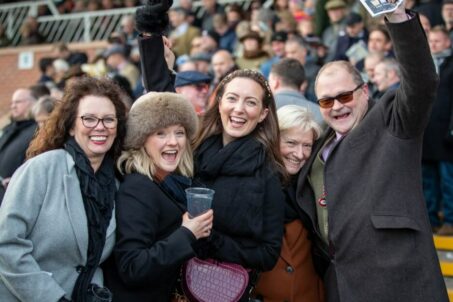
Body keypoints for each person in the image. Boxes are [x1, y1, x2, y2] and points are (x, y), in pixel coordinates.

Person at [295, 3, 448, 301]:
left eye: (344, 96)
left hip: (398, 280)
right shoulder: (316, 144)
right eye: (326, 101)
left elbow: (422, 83)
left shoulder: (392, 120)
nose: (337, 106)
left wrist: (396, 16)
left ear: (364, 91)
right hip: (340, 284)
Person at [0, 77, 128, 301]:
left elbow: (91, 262)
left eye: (109, 119)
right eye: (89, 119)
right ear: (71, 126)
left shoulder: (115, 185)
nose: (100, 127)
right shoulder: (42, 169)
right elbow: (6, 243)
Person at [104, 92, 214, 301]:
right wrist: (187, 233)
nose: (173, 142)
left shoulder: (171, 183)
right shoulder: (138, 187)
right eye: (161, 133)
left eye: (179, 133)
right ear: (142, 139)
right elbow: (132, 267)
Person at [191, 69, 286, 301]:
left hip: (225, 289)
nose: (239, 109)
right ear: (220, 101)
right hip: (177, 284)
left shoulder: (268, 172)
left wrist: (209, 239)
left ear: (263, 114)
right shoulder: (194, 152)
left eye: (250, 102)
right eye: (232, 98)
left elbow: (268, 254)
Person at [253, 105, 324, 302]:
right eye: (291, 143)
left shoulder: (313, 188)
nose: (300, 154)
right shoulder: (252, 184)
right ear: (273, 140)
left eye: (307, 145)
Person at [422, 25, 453, 235]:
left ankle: (450, 221)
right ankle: (431, 220)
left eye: (438, 41)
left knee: (449, 181)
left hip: (447, 134)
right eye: (431, 41)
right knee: (428, 182)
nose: (433, 44)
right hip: (425, 134)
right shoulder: (424, 64)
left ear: (448, 42)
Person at [0, 88, 38, 203]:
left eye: (18, 102)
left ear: (33, 103)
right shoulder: (10, 129)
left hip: (16, 198)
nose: (13, 106)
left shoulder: (37, 130)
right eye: (12, 103)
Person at [268, 58, 325, 126]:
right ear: (302, 84)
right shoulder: (321, 113)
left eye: (269, 81)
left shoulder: (264, 107)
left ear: (275, 82)